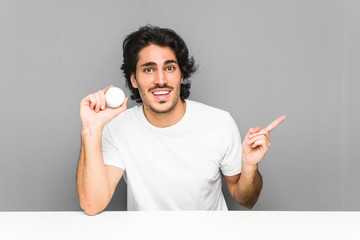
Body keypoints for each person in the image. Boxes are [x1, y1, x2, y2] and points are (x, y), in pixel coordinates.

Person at [76, 25, 286, 215]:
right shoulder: (118, 129)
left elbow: (246, 200)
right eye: (149, 69)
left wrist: (249, 167)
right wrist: (91, 131)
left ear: (181, 75)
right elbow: (93, 204)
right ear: (134, 79)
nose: (160, 80)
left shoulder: (219, 123)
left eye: (169, 68)